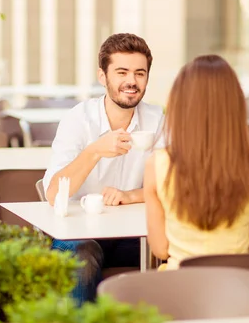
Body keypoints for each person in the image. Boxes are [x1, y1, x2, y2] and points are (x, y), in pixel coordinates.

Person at [42, 33, 164, 303]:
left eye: (139, 73)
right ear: (102, 76)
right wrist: (94, 151)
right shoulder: (78, 119)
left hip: (134, 234)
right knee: (79, 258)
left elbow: (171, 185)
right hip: (78, 235)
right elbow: (53, 194)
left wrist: (130, 195)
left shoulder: (156, 119)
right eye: (122, 72)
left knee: (178, 249)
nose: (131, 81)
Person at [144, 54, 249, 270]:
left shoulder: (158, 164)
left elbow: (161, 249)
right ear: (235, 106)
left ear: (181, 106)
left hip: (180, 293)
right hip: (237, 291)